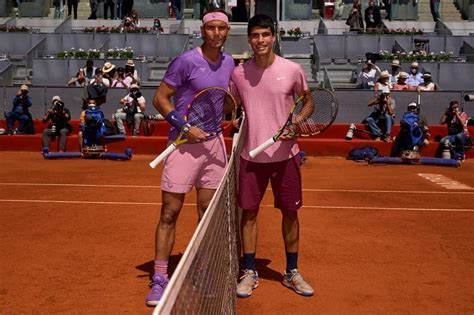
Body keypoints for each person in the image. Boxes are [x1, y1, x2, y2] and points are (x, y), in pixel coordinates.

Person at [146, 8, 235, 306]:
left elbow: (219, 103)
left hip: (214, 147)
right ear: (203, 30)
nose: (217, 33)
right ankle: (159, 277)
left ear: (227, 31)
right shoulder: (186, 61)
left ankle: (203, 270)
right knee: (169, 212)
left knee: (206, 217)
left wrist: (229, 117)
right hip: (183, 145)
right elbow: (159, 98)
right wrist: (184, 126)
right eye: (212, 28)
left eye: (222, 28)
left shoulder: (230, 62)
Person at [230, 13, 314, 299]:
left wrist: (296, 123)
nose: (260, 40)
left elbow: (308, 103)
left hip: (286, 155)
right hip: (251, 157)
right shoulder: (239, 73)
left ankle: (292, 272)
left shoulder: (292, 69)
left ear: (273, 36)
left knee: (290, 213)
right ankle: (249, 271)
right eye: (255, 36)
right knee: (249, 214)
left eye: (265, 35)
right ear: (249, 39)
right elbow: (233, 107)